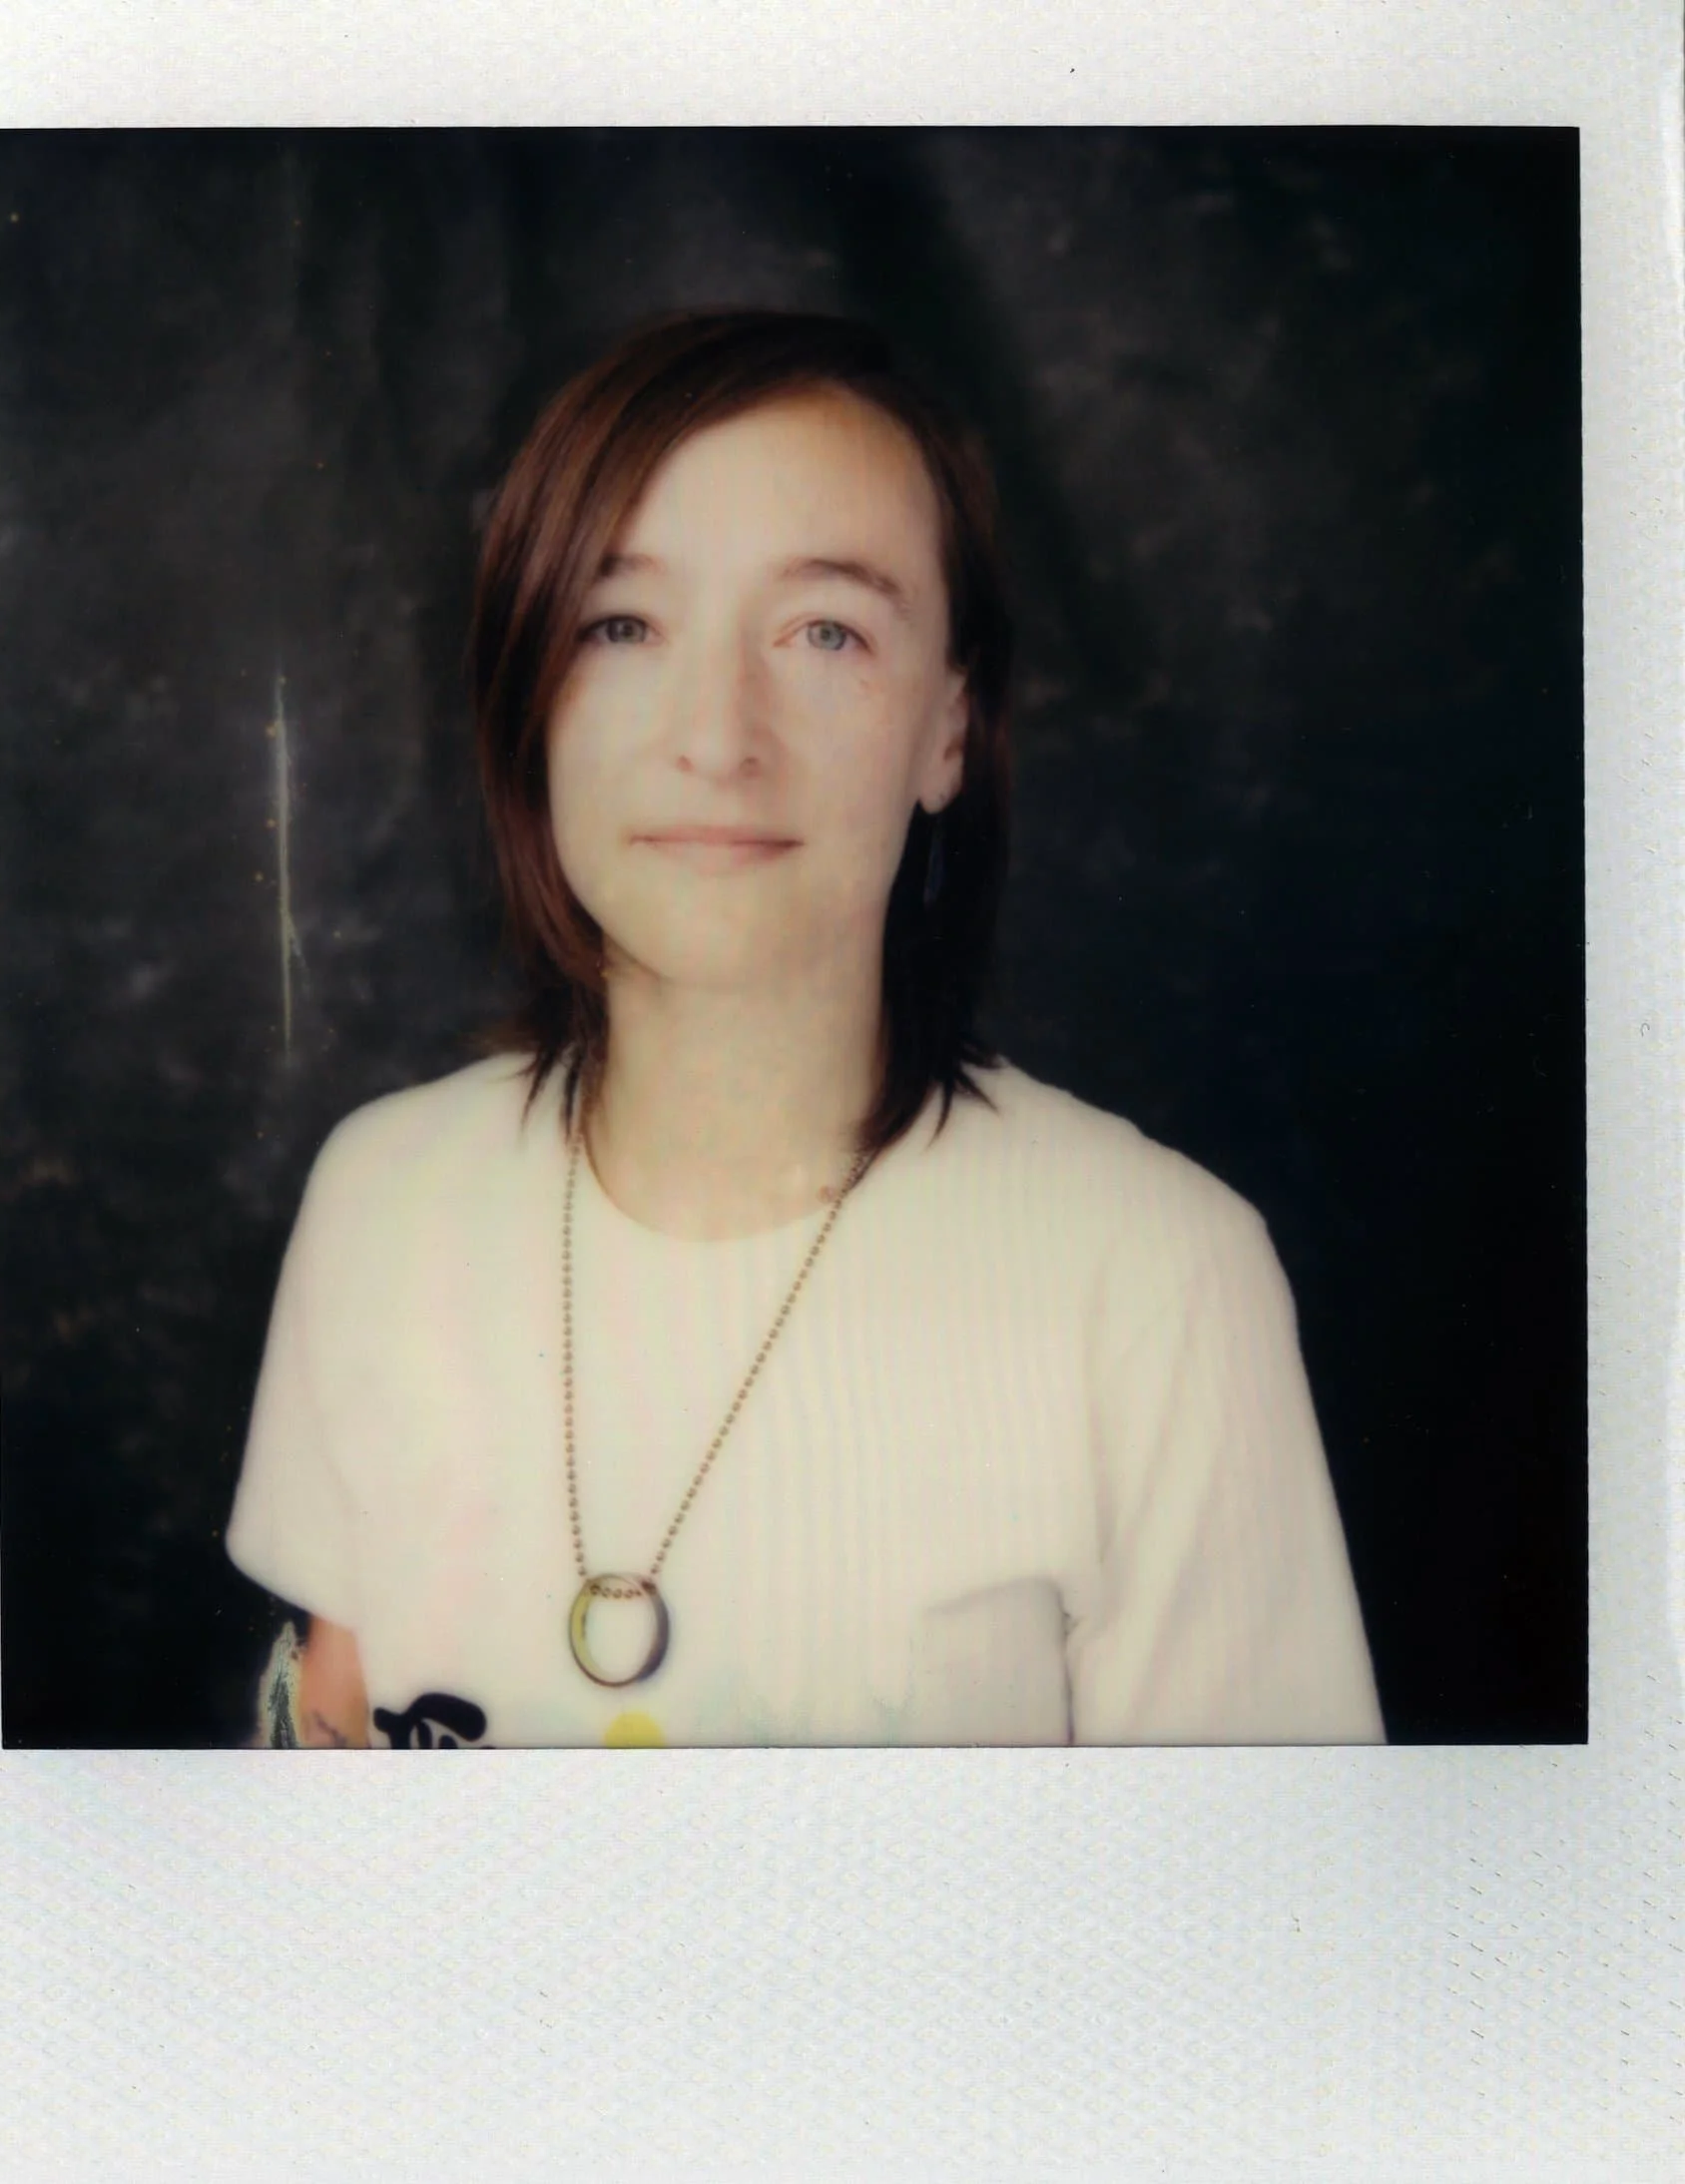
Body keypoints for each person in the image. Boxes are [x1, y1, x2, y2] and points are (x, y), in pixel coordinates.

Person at [225, 309, 1384, 1750]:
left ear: (951, 727)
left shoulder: (1158, 1282)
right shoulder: (382, 1198)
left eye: (825, 629)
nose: (716, 734)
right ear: (531, 695)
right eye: (623, 623)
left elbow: (1258, 1944)